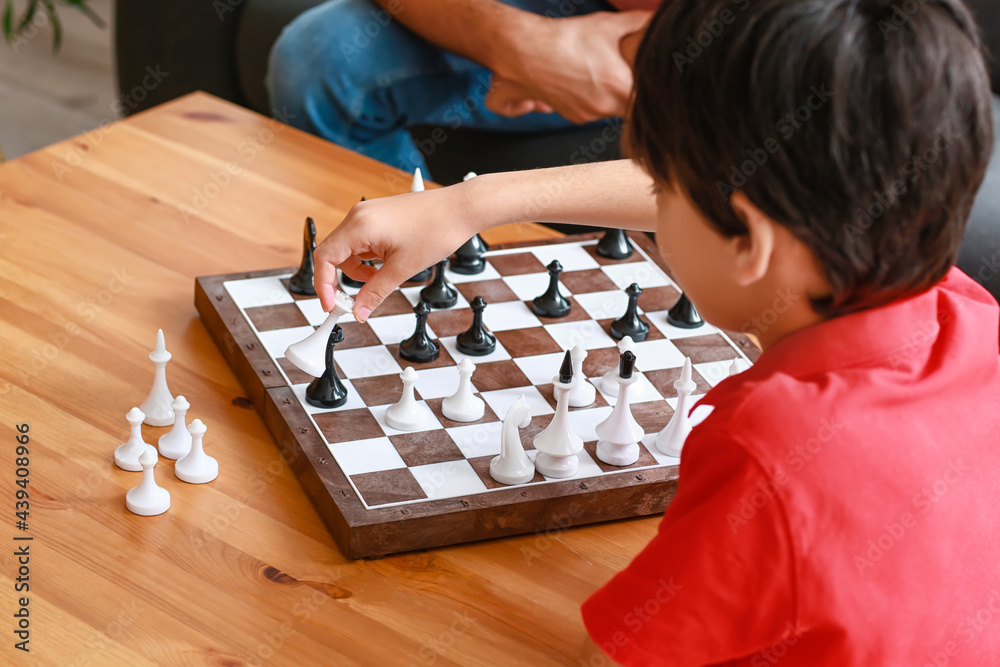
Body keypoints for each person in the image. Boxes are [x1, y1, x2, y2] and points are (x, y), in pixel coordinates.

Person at [313, 0, 1000, 662]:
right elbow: (736, 193)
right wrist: (473, 202)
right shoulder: (965, 311)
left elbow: (613, 656)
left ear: (751, 239)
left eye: (664, 193)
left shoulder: (770, 452)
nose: (656, 210)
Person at [266, 0, 652, 178]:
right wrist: (521, 45)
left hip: (668, 36)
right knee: (322, 56)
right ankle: (404, 254)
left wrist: (629, 57)